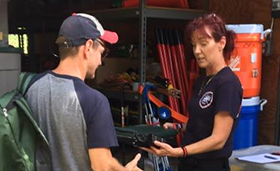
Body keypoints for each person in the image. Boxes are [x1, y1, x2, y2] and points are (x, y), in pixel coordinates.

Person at [26, 13, 142, 171]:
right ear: (88, 47)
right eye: (102, 52)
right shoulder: (94, 101)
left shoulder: (31, 86)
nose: (101, 62)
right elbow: (102, 166)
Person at [141, 13, 243, 171]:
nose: (197, 51)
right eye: (194, 44)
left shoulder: (228, 84)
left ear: (221, 43)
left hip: (210, 166)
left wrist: (179, 152)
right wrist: (179, 127)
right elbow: (201, 120)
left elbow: (218, 139)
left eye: (203, 43)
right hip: (188, 164)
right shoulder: (201, 81)